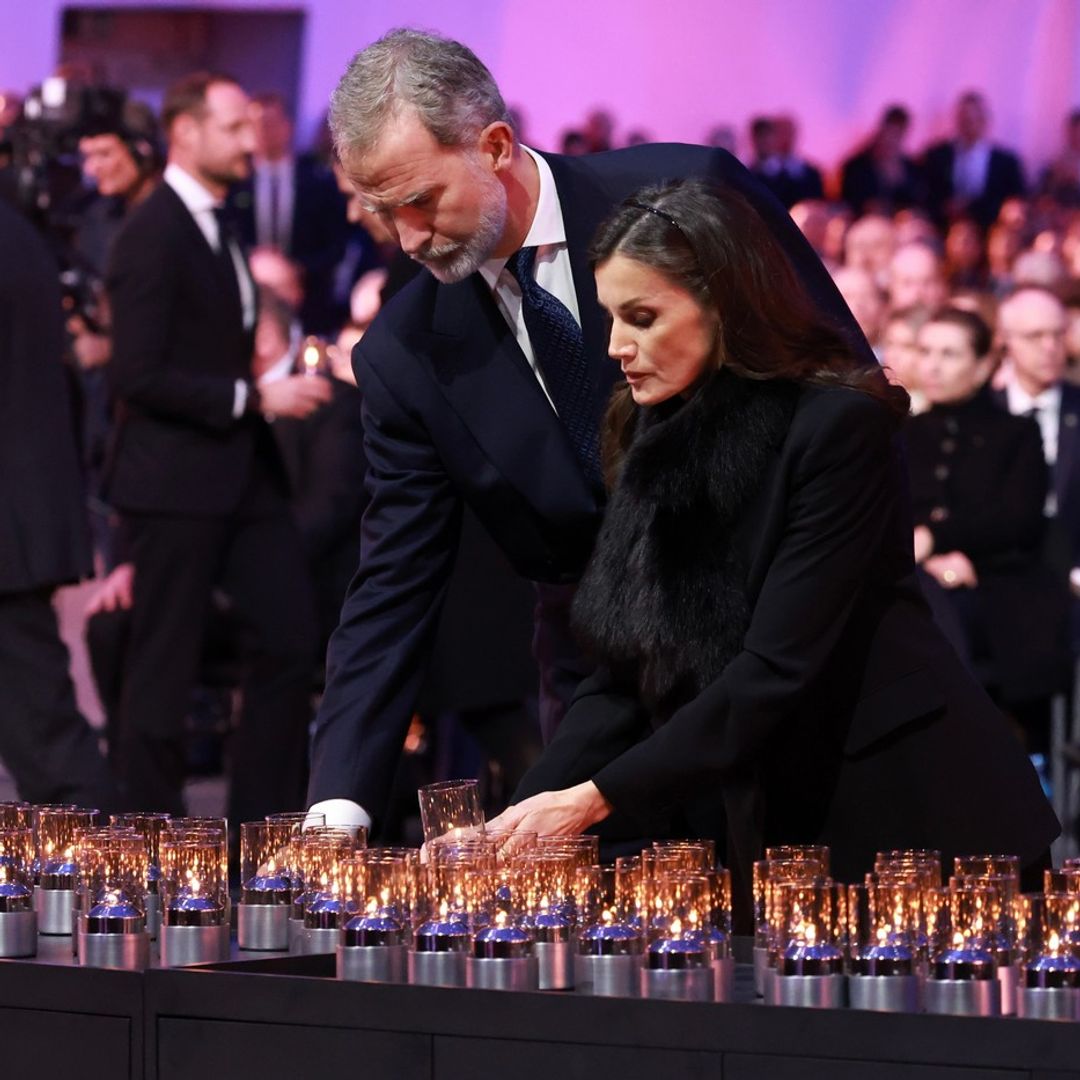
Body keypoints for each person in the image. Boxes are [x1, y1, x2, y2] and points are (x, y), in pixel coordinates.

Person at [307, 28, 870, 833]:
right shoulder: (403, 353)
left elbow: (846, 392)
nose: (406, 238)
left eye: (420, 200)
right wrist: (339, 803)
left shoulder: (690, 193)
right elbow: (393, 580)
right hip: (605, 694)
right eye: (378, 210)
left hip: (796, 650)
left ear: (495, 145)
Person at [491, 182, 1058, 909]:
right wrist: (517, 822)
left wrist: (593, 801)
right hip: (778, 831)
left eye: (642, 317)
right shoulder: (649, 429)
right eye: (610, 318)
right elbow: (624, 675)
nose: (615, 348)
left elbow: (775, 669)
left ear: (726, 306)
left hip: (917, 823)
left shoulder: (838, 427)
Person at [104, 71, 331, 820]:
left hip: (240, 475)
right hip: (173, 481)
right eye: (234, 127)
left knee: (292, 638)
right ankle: (149, 845)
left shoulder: (217, 221)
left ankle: (255, 839)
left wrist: (267, 380)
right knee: (160, 675)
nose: (251, 139)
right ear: (186, 131)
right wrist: (251, 396)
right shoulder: (150, 231)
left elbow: (209, 346)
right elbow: (136, 375)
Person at [0, 196, 118, 809]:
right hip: (20, 521)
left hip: (10, 534)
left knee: (49, 744)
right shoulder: (20, 231)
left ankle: (114, 885)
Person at [907, 306, 1068, 750]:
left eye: (949, 354)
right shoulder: (902, 432)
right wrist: (935, 557)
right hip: (921, 580)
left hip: (1000, 589)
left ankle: (961, 752)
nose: (933, 365)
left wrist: (940, 540)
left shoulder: (1016, 433)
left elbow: (1016, 520)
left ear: (982, 367)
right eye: (925, 351)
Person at [923, 91, 1025, 230]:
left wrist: (974, 207)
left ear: (985, 121)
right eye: (964, 120)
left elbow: (1015, 199)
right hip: (944, 229)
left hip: (990, 230)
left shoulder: (1006, 162)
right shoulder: (936, 156)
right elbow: (927, 195)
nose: (969, 125)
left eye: (974, 119)